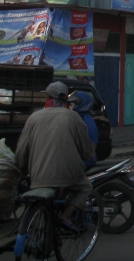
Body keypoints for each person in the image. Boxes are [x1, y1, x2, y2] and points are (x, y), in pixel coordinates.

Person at [15, 82, 95, 229]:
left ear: (47, 96)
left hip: (37, 177)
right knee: (85, 187)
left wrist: (22, 169)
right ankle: (66, 215)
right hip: (69, 176)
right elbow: (87, 151)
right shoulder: (73, 117)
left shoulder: (34, 117)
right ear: (66, 98)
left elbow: (21, 150)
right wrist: (88, 156)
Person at [67, 92, 98, 168]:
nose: (69, 107)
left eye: (72, 105)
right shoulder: (85, 118)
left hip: (84, 160)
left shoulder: (82, 120)